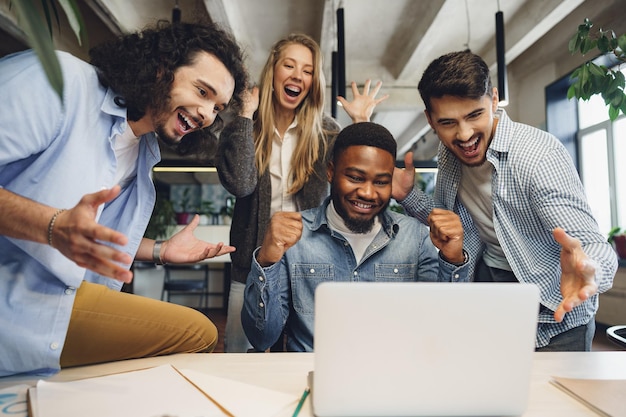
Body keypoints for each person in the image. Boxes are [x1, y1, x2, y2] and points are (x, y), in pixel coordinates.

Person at [0, 21, 248, 376]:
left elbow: (88, 235)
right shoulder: (62, 82)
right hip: (15, 298)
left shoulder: (142, 151)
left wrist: (160, 250)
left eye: (217, 107)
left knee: (198, 335)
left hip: (57, 303)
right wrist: (51, 226)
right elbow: (64, 230)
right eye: (203, 91)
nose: (208, 115)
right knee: (198, 333)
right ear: (162, 67)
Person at [393, 50, 618, 351]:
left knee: (555, 398)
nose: (464, 135)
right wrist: (409, 196)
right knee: (492, 392)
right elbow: (449, 223)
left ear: (494, 99)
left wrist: (592, 269)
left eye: (475, 115)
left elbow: (591, 244)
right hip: (490, 293)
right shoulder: (448, 154)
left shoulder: (538, 157)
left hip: (556, 308)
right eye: (448, 122)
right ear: (430, 120)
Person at [216, 33, 388, 352]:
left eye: (307, 70)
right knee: (239, 355)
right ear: (273, 71)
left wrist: (361, 123)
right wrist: (242, 115)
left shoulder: (327, 133)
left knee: (307, 357)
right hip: (252, 263)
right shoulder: (243, 128)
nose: (298, 75)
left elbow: (362, 181)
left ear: (313, 81)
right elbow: (240, 184)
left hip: (310, 265)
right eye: (289, 65)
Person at [241, 122, 470, 352]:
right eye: (355, 178)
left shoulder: (416, 238)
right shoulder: (294, 238)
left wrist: (452, 261)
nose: (367, 193)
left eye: (380, 182)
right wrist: (266, 262)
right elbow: (262, 338)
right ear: (330, 172)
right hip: (311, 376)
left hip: (391, 377)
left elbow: (442, 332)